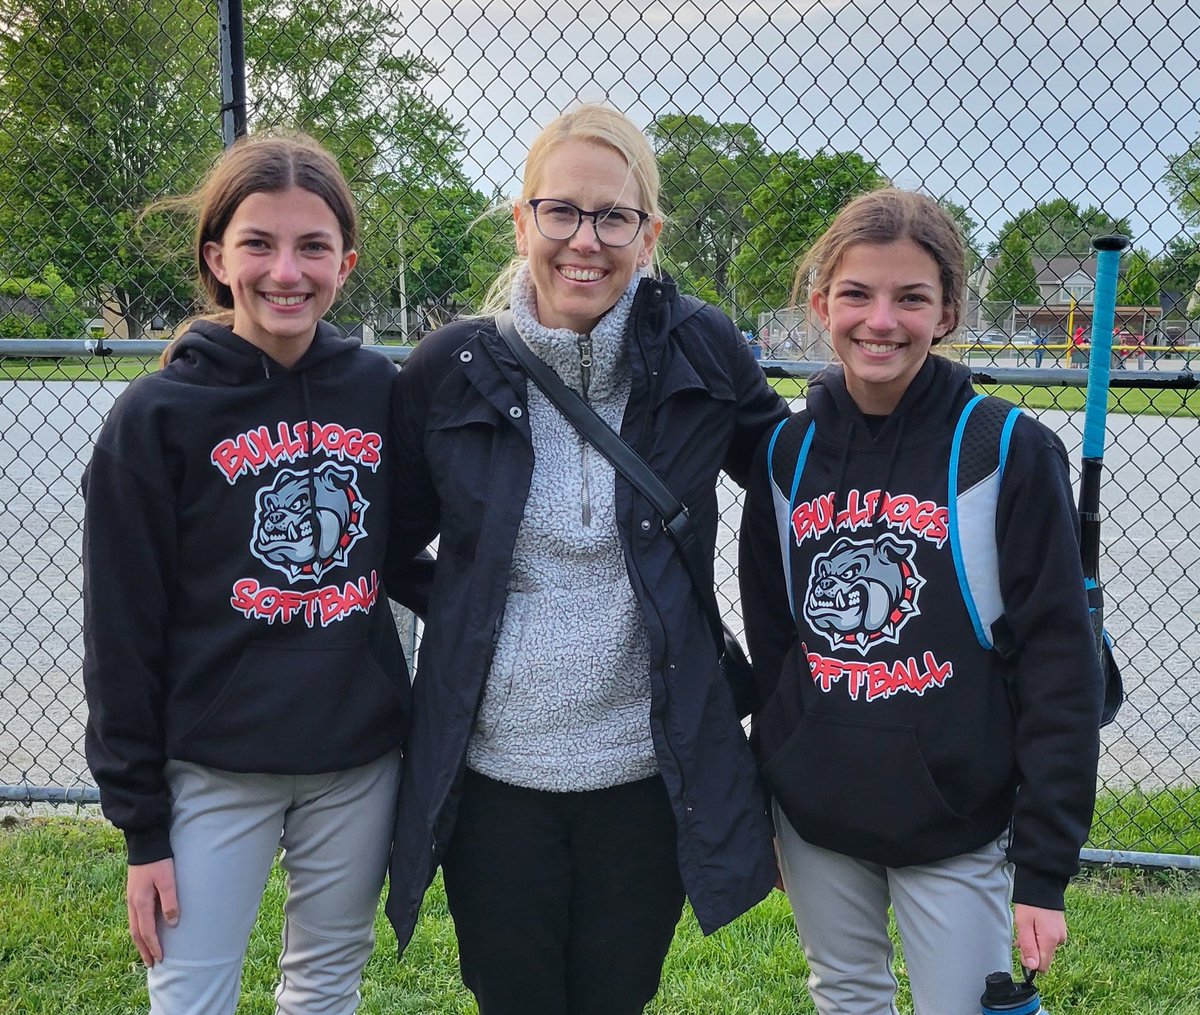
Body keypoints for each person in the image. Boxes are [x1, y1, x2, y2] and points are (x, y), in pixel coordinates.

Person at [384, 102, 787, 1013]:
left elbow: (800, 480)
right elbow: (378, 539)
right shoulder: (449, 370)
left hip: (644, 780)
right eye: (561, 211)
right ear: (523, 220)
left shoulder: (703, 349)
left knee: (615, 997)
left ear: (648, 237)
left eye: (614, 217)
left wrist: (930, 432)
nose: (585, 241)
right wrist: (460, 603)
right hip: (494, 779)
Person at [82, 131, 425, 1014]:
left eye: (313, 246)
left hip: (355, 761)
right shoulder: (158, 415)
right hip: (213, 767)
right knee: (191, 994)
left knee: (325, 989)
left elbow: (405, 546)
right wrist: (141, 830)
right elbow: (120, 634)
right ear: (216, 257)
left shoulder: (379, 392)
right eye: (259, 244)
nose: (287, 270)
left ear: (346, 262)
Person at [738, 188, 1103, 1015]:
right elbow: (775, 645)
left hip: (955, 814)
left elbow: (1060, 665)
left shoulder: (1005, 448)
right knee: (846, 995)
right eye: (857, 294)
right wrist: (775, 779)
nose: (881, 320)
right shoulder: (786, 453)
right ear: (820, 303)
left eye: (911, 297)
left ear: (947, 312)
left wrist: (1043, 868)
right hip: (817, 809)